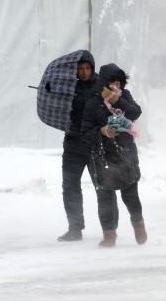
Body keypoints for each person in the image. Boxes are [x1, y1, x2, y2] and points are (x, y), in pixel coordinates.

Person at [82, 63, 147, 247]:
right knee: (105, 198)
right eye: (112, 82)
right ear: (103, 83)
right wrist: (102, 131)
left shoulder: (124, 96)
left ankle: (139, 224)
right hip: (102, 156)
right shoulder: (93, 103)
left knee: (130, 194)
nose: (115, 86)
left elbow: (135, 112)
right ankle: (109, 235)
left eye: (119, 82)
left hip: (125, 153)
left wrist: (117, 101)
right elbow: (85, 132)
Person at [57, 51, 98, 242]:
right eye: (80, 69)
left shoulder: (101, 86)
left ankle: (109, 227)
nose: (84, 72)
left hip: (95, 145)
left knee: (103, 186)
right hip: (73, 144)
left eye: (88, 68)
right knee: (70, 186)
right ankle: (75, 227)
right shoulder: (67, 87)